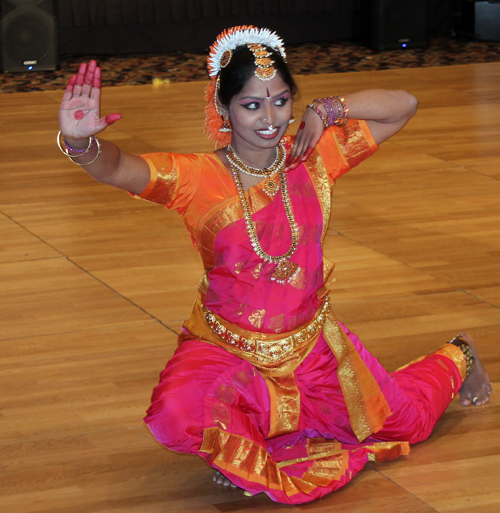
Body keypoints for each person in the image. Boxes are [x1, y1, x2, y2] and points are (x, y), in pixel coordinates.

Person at [58, 26, 491, 505]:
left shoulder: (314, 156)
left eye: (281, 101)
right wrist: (80, 144)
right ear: (223, 108)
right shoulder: (195, 178)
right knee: (176, 415)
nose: (270, 118)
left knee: (406, 424)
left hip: (312, 348)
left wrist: (330, 109)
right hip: (229, 350)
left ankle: (460, 354)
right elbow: (119, 168)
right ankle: (238, 443)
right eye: (251, 105)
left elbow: (404, 104)